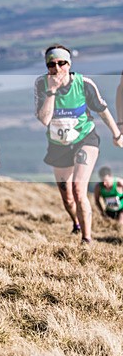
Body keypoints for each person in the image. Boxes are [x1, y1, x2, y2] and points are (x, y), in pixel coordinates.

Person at [34, 45, 123, 243]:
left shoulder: (84, 83)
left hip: (85, 139)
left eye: (61, 63)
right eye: (51, 64)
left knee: (78, 188)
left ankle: (87, 239)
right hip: (58, 145)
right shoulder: (42, 84)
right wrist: (52, 92)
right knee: (67, 196)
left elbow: (102, 110)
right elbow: (44, 120)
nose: (56, 68)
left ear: (69, 64)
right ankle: (76, 222)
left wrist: (117, 134)